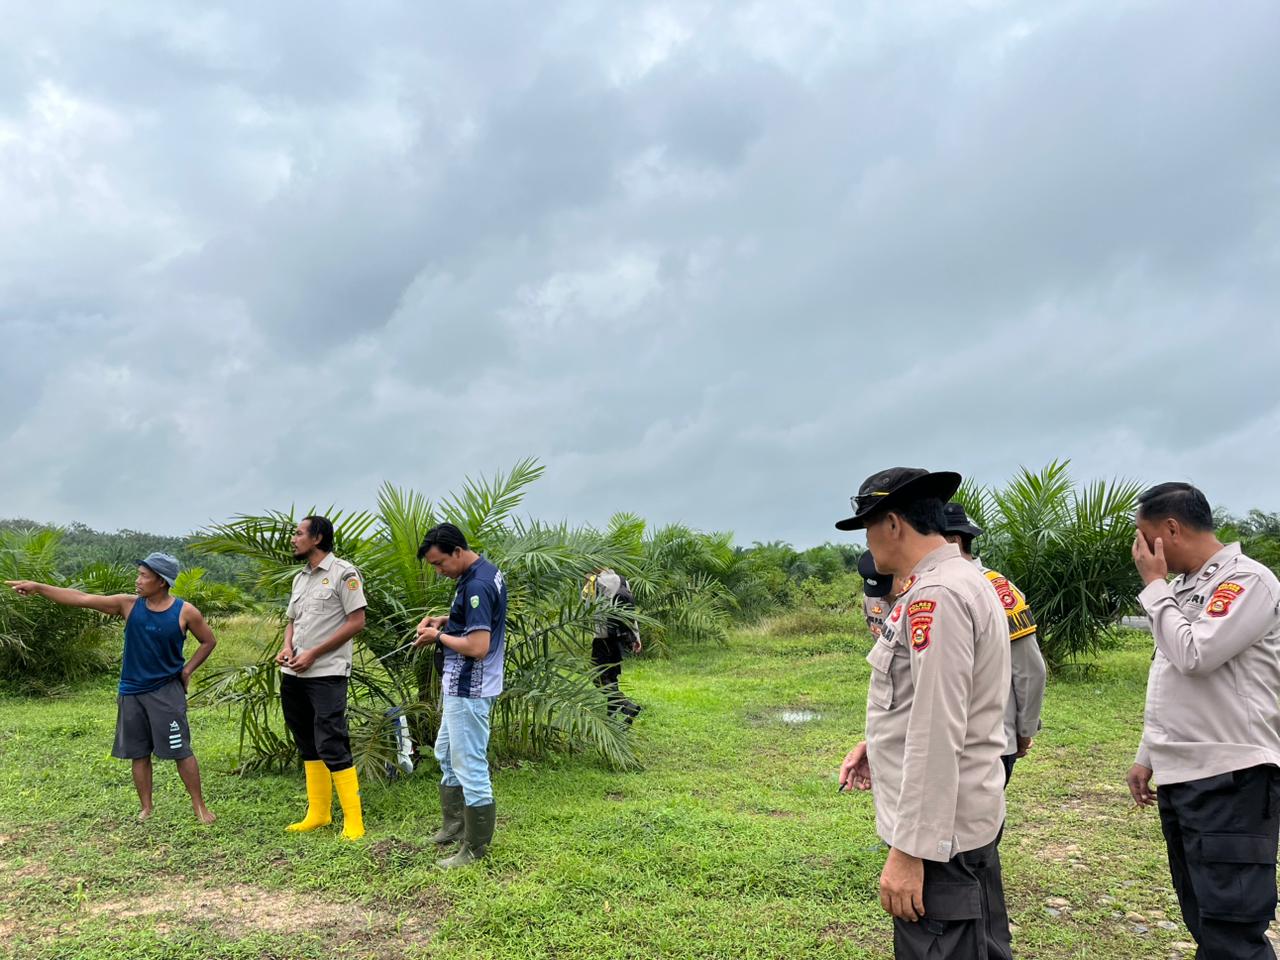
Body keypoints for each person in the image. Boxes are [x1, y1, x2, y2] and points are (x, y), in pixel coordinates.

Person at [835, 467, 1012, 960]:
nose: (869, 544)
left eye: (869, 528)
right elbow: (937, 702)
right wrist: (880, 743)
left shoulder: (937, 597)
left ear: (893, 524)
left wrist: (909, 851)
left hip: (941, 842)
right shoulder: (956, 581)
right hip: (952, 826)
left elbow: (939, 730)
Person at [1129, 482, 1280, 960]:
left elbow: (1196, 654)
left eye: (1145, 537)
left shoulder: (1245, 581)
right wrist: (1147, 755)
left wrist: (1152, 588)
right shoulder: (1184, 589)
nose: (1140, 550)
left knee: (1232, 927)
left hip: (1230, 777)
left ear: (1170, 529)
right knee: (1204, 916)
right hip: (1186, 775)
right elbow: (1169, 675)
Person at [7, 552, 217, 824]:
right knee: (138, 752)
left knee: (180, 750)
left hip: (166, 691)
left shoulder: (185, 612)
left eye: (144, 575)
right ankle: (146, 808)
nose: (137, 580)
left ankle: (200, 807)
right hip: (131, 691)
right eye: (138, 574)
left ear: (162, 581)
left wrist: (187, 671)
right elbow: (81, 599)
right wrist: (39, 587)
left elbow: (208, 641)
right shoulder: (128, 605)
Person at [414, 523, 508, 868]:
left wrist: (435, 638)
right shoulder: (480, 572)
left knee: (469, 764)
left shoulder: (478, 586)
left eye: (440, 564)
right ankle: (454, 826)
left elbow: (478, 646)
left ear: (457, 551)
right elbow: (474, 622)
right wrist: (443, 620)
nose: (439, 572)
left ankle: (475, 847)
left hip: (470, 686)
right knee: (446, 753)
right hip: (460, 685)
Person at [940, 503, 1047, 786]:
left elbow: (1029, 668)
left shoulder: (995, 589)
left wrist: (1024, 729)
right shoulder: (930, 588)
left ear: (954, 541)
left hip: (990, 740)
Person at [275, 516, 368, 840]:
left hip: (326, 674)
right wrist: (287, 648)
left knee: (331, 740)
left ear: (317, 538)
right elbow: (292, 621)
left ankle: (354, 822)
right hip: (294, 673)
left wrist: (314, 653)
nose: (292, 538)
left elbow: (357, 621)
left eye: (298, 533)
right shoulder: (300, 578)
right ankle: (319, 813)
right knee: (306, 740)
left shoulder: (344, 573)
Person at [584, 568, 642, 722]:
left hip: (601, 636)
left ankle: (625, 705)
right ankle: (611, 717)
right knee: (612, 675)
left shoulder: (594, 581)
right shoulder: (623, 580)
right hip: (619, 636)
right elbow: (631, 612)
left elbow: (586, 604)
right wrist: (636, 637)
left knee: (598, 676)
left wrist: (587, 582)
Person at [860, 550, 898, 640]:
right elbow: (871, 624)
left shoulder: (915, 598)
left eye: (884, 589)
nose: (880, 596)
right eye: (875, 590)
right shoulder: (868, 598)